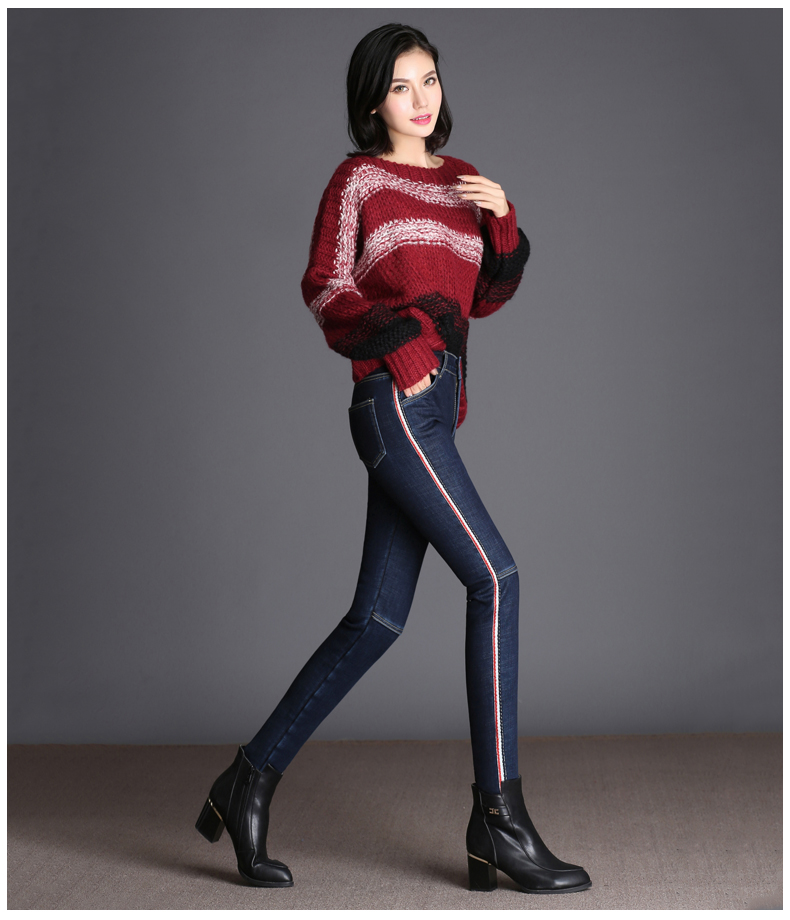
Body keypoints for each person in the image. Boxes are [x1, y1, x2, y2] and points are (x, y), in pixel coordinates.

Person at [195, 22, 591, 896]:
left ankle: (246, 780)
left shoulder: (461, 179)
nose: (421, 99)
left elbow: (485, 297)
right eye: (402, 85)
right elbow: (325, 284)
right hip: (396, 400)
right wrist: (399, 346)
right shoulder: (359, 182)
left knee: (376, 620)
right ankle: (499, 820)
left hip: (439, 410)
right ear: (373, 100)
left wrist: (503, 222)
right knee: (497, 578)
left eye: (431, 81)